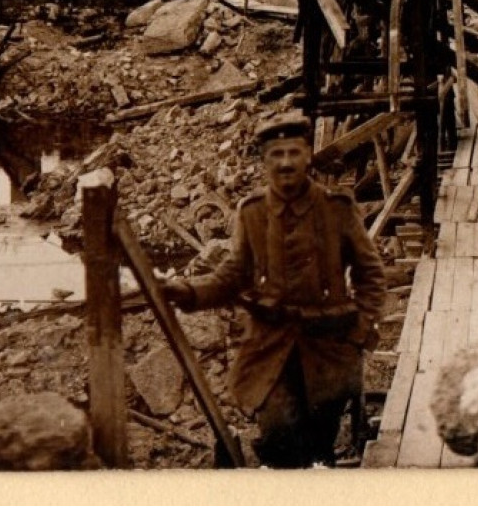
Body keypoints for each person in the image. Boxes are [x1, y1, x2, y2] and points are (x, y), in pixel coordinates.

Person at [162, 111, 387, 467]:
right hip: (271, 344)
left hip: (329, 347)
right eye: (276, 154)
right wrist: (187, 291)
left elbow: (370, 273)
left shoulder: (336, 210)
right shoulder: (251, 213)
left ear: (308, 155)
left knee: (319, 440)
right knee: (279, 432)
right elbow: (232, 275)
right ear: (264, 161)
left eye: (293, 153)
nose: (285, 163)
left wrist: (360, 330)